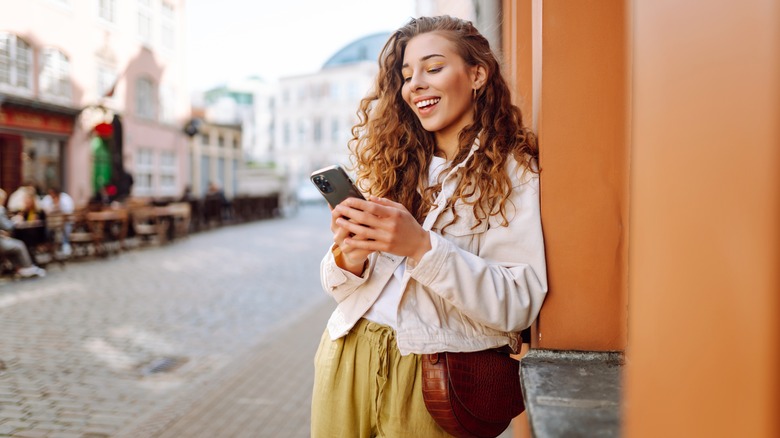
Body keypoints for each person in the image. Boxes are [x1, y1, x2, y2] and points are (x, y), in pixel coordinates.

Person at [311, 16, 548, 437]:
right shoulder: (391, 165)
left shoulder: (513, 173)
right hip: (346, 353)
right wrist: (350, 257)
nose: (415, 84)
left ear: (477, 74)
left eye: (433, 68)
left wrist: (421, 247)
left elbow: (518, 304)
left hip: (436, 374)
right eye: (406, 75)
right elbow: (338, 288)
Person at [0, 189, 46, 278]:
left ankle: (21, 267)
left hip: (35, 235)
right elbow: (8, 226)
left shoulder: (38, 211)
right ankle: (27, 267)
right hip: (4, 242)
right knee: (19, 244)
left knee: (18, 243)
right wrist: (15, 221)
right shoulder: (0, 210)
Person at [40, 187, 75, 256]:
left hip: (64, 222)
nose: (51, 196)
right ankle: (49, 245)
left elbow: (68, 211)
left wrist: (57, 207)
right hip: (50, 223)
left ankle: (65, 244)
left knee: (66, 227)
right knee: (45, 229)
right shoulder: (47, 199)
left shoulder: (65, 199)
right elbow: (43, 209)